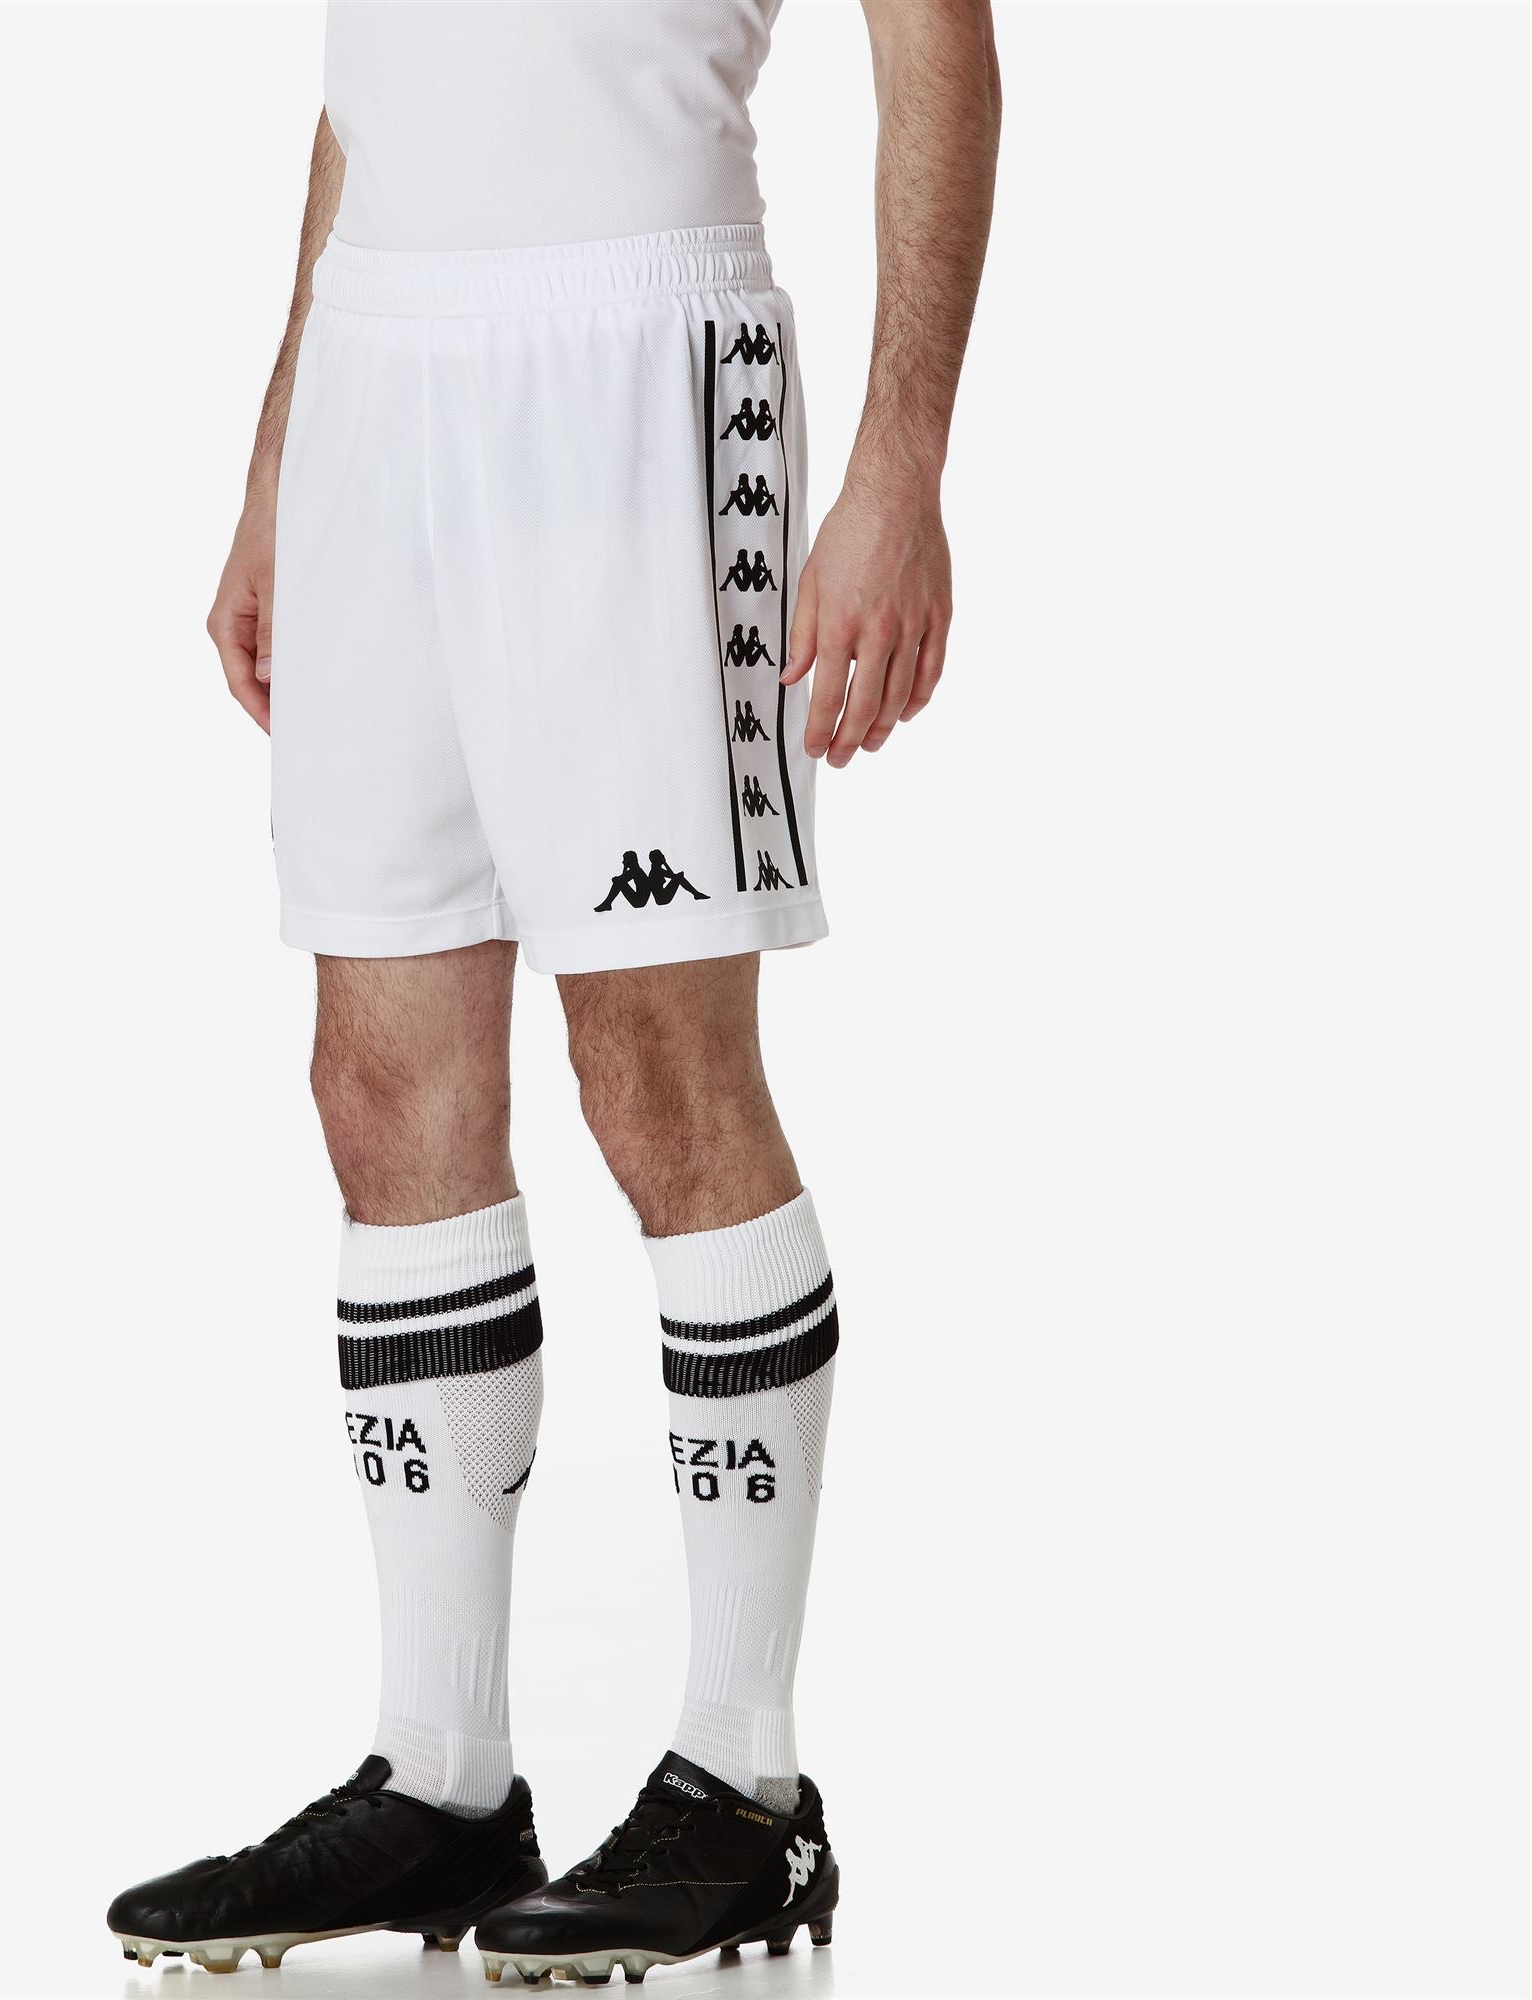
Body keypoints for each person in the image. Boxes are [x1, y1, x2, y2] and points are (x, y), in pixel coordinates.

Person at [108, 0, 999, 1982]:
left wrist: (901, 459)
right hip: (379, 373)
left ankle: (746, 1785)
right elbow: (370, 89)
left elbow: (937, 41)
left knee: (659, 1074)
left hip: (640, 367)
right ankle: (439, 1775)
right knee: (378, 1084)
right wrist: (279, 448)